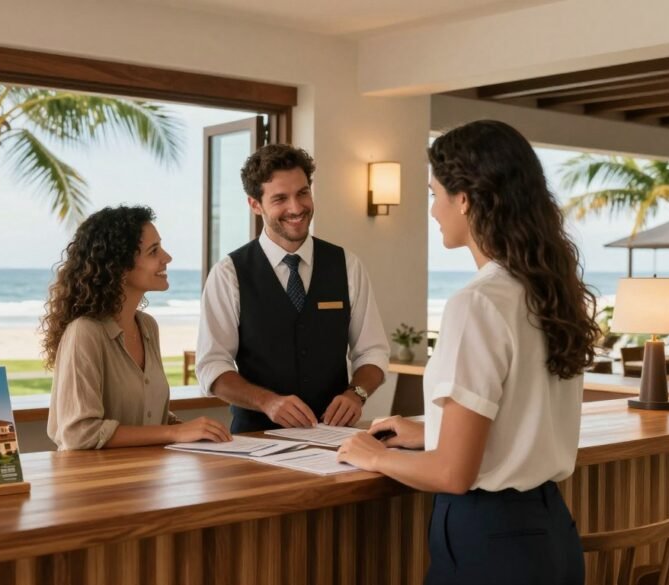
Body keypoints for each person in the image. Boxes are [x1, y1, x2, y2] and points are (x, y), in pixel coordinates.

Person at [338, 120, 597, 585]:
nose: (433, 210)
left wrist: (371, 455)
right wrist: (429, 430)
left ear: (466, 199)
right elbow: (520, 413)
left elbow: (453, 473)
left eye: (436, 194)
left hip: (490, 544)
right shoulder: (547, 292)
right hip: (550, 532)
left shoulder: (477, 302)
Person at [196, 144, 390, 433]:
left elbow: (372, 352)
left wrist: (356, 394)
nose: (296, 208)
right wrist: (267, 402)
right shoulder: (228, 274)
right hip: (254, 442)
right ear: (254, 204)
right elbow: (212, 366)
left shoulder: (348, 266)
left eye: (302, 193)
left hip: (334, 440)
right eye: (280, 199)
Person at [43, 205, 232, 450]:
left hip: (143, 481)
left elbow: (151, 420)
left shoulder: (147, 327)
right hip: (93, 484)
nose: (167, 257)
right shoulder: (85, 332)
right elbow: (79, 433)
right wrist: (175, 432)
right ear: (120, 266)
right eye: (154, 251)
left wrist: (197, 431)